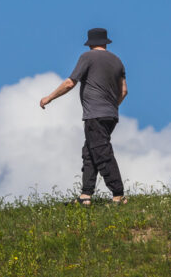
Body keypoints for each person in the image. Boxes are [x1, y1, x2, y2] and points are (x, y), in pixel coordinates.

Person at [40, 28, 128, 204]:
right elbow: (124, 90)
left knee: (102, 152)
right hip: (111, 115)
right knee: (89, 151)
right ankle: (85, 196)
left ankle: (118, 194)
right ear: (105, 42)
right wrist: (112, 107)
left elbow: (69, 83)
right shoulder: (117, 61)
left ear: (90, 43)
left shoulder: (87, 58)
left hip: (95, 114)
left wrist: (49, 98)